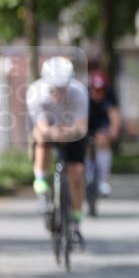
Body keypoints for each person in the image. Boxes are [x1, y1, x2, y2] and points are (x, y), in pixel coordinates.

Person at [26, 56, 90, 245]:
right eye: (55, 90)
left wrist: (70, 132)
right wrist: (52, 132)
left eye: (63, 89)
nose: (59, 95)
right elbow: (41, 125)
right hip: (50, 128)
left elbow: (81, 126)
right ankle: (41, 183)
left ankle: (77, 223)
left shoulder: (79, 93)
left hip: (73, 132)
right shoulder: (36, 93)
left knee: (76, 174)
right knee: (41, 139)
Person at [88, 69, 121, 197]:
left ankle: (102, 181)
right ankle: (87, 175)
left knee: (103, 142)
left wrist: (114, 130)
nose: (98, 93)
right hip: (87, 124)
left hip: (102, 125)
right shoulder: (84, 95)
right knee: (84, 145)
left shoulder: (110, 95)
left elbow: (115, 115)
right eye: (96, 90)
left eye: (101, 90)